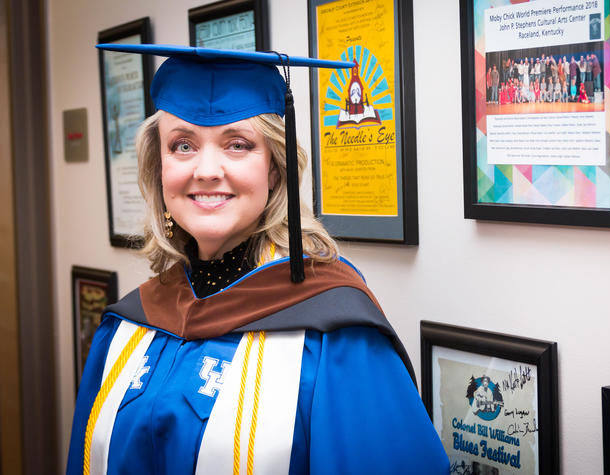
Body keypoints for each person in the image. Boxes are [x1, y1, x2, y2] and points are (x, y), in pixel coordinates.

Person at [66, 44, 449, 474]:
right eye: (183, 145)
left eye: (237, 144)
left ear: (273, 168)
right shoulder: (130, 324)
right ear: (160, 168)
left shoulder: (334, 333)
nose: (206, 170)